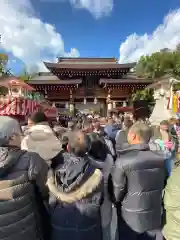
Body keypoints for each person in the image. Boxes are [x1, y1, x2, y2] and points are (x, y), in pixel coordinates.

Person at [111, 122, 166, 240]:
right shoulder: (161, 158)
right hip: (154, 212)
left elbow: (117, 190)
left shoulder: (123, 161)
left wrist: (116, 202)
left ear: (133, 135)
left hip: (130, 215)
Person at [47, 131, 104, 240]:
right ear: (89, 148)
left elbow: (52, 200)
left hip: (60, 219)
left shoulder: (55, 169)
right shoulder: (96, 172)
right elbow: (99, 199)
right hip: (87, 221)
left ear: (68, 147)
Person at [0, 116, 49, 240]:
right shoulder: (30, 159)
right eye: (20, 134)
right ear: (11, 137)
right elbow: (46, 190)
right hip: (26, 228)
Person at [87, 132, 114, 240]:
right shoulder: (109, 158)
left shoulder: (87, 161)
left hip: (91, 193)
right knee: (106, 225)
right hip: (106, 192)